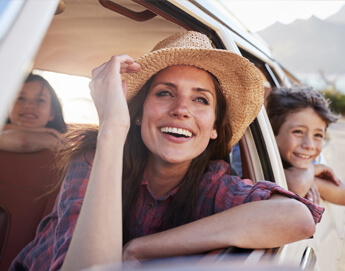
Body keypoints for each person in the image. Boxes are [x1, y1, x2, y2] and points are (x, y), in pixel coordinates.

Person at [10, 31, 324, 271]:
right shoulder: (93, 160)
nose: (181, 110)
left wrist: (140, 248)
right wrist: (112, 130)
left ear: (214, 126)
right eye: (165, 93)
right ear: (137, 112)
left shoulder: (212, 183)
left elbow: (297, 218)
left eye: (200, 99)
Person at [266, 86, 345, 205]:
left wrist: (313, 180)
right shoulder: (255, 158)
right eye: (298, 132)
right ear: (273, 133)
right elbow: (297, 187)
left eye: (318, 135)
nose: (309, 145)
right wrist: (313, 170)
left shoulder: (304, 158)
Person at [0, 73, 67, 152]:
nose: (29, 105)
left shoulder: (61, 141)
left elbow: (24, 141)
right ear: (7, 108)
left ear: (51, 113)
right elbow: (23, 141)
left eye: (40, 100)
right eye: (20, 98)